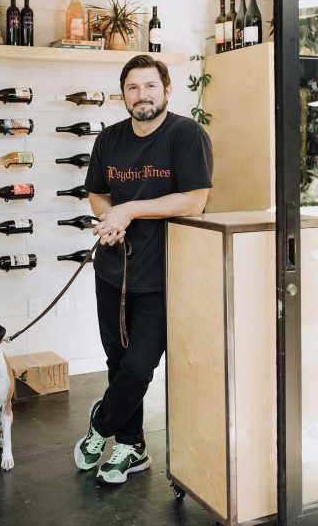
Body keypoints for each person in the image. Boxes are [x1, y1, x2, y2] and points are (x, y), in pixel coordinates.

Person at [73, 54, 213, 484]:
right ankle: (132, 448)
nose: (142, 95)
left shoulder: (187, 135)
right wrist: (111, 219)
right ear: (122, 96)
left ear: (167, 91)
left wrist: (130, 209)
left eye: (150, 86)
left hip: (163, 275)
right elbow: (97, 194)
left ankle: (101, 425)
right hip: (112, 270)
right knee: (117, 363)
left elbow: (194, 200)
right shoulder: (109, 139)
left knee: (139, 367)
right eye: (132, 88)